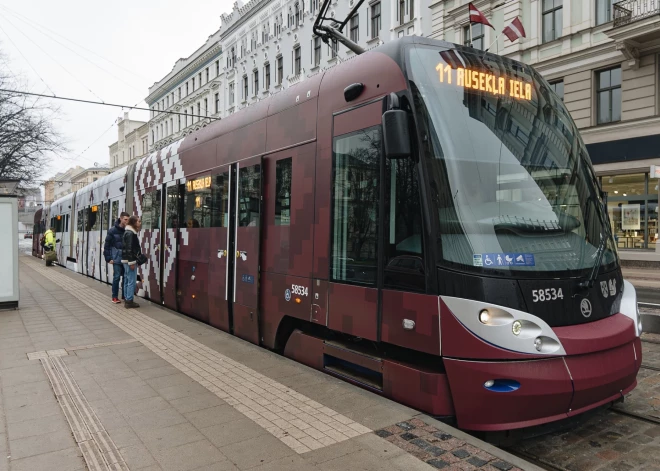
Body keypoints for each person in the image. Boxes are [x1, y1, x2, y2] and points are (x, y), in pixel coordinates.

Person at [103, 212, 130, 304]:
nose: (127, 221)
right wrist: (108, 258)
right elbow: (107, 245)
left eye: (128, 220)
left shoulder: (128, 230)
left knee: (126, 277)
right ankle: (114, 296)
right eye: (125, 219)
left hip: (126, 258)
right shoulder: (112, 231)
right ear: (121, 219)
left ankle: (124, 295)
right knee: (117, 277)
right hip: (116, 258)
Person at [121, 215, 146, 309]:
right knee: (131, 281)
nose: (140, 223)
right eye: (138, 221)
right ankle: (129, 301)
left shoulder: (127, 232)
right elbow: (129, 249)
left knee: (127, 280)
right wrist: (131, 262)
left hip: (125, 260)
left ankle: (127, 298)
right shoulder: (131, 233)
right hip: (130, 261)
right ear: (134, 223)